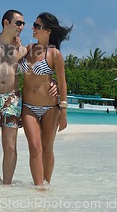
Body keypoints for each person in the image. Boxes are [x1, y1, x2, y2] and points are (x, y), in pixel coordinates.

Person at [0, 10, 57, 185]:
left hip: (13, 100)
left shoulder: (22, 49)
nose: (22, 27)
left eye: (23, 23)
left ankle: (6, 184)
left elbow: (40, 67)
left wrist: (52, 81)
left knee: (10, 146)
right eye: (18, 23)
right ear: (6, 23)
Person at [20, 12, 73, 187]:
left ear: (48, 31)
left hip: (51, 108)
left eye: (37, 26)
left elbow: (63, 83)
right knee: (35, 148)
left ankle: (47, 184)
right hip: (28, 107)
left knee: (47, 150)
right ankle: (39, 189)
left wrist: (63, 112)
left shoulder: (54, 54)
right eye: (33, 25)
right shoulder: (27, 49)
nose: (33, 28)